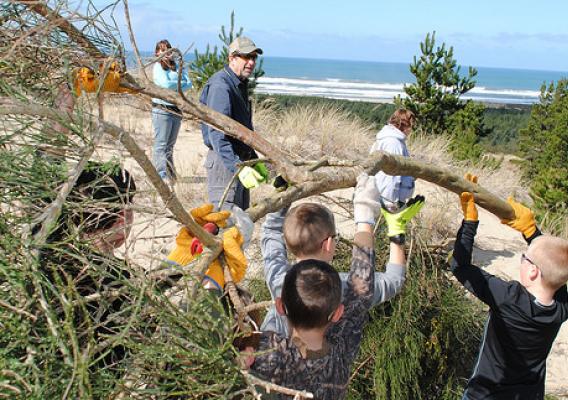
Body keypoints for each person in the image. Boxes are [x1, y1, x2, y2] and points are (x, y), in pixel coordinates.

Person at [247, 174, 425, 399]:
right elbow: (390, 281)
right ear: (338, 313)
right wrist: (391, 230)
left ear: (281, 306)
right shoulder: (342, 344)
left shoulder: (266, 348)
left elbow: (271, 236)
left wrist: (282, 199)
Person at [452, 174, 568, 399]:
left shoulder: (508, 298)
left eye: (525, 258)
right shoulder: (560, 309)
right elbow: (557, 269)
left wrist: (469, 222)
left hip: (484, 395)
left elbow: (459, 267)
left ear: (533, 271)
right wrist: (531, 233)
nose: (522, 260)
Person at [260, 191, 424, 337]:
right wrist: (396, 230)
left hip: (277, 366)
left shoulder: (279, 280)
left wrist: (283, 194)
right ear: (329, 244)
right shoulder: (345, 290)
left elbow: (271, 232)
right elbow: (394, 281)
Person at [199, 36, 267, 210]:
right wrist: (237, 167)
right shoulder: (221, 86)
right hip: (225, 164)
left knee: (241, 224)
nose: (251, 62)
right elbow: (216, 135)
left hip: (237, 161)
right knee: (227, 224)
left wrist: (253, 160)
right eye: (246, 57)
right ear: (232, 58)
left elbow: (242, 130)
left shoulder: (238, 84)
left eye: (253, 57)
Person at [152, 39, 191, 183]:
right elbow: (165, 84)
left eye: (168, 49)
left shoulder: (177, 66)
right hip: (162, 108)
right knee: (161, 143)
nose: (166, 53)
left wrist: (176, 84)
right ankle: (160, 174)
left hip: (176, 109)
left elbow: (189, 84)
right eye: (163, 50)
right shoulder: (157, 66)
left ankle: (170, 173)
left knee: (170, 145)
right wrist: (179, 84)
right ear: (157, 52)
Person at [370, 108, 416, 212]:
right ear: (404, 124)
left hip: (385, 198)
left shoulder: (391, 139)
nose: (411, 129)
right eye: (411, 125)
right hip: (387, 201)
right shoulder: (393, 143)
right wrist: (390, 203)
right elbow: (391, 176)